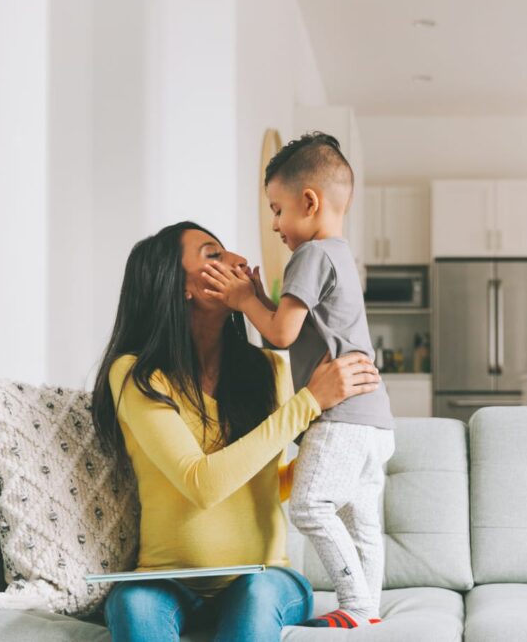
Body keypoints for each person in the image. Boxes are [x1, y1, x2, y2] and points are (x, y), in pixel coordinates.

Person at [90, 221, 381, 642]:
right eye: (213, 255)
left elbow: (269, 482)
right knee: (133, 602)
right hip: (165, 582)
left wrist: (336, 451)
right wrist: (310, 401)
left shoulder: (269, 370)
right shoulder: (137, 375)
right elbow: (202, 484)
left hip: (264, 577)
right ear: (179, 286)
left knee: (258, 595)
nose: (239, 261)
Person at [201, 133, 395, 629]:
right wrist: (260, 302)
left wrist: (247, 300)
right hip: (376, 420)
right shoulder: (339, 255)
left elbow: (282, 335)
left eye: (277, 209)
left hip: (341, 415)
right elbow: (281, 340)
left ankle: (353, 605)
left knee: (310, 506)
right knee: (362, 520)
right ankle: (369, 610)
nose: (274, 224)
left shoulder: (309, 256)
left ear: (309, 202)